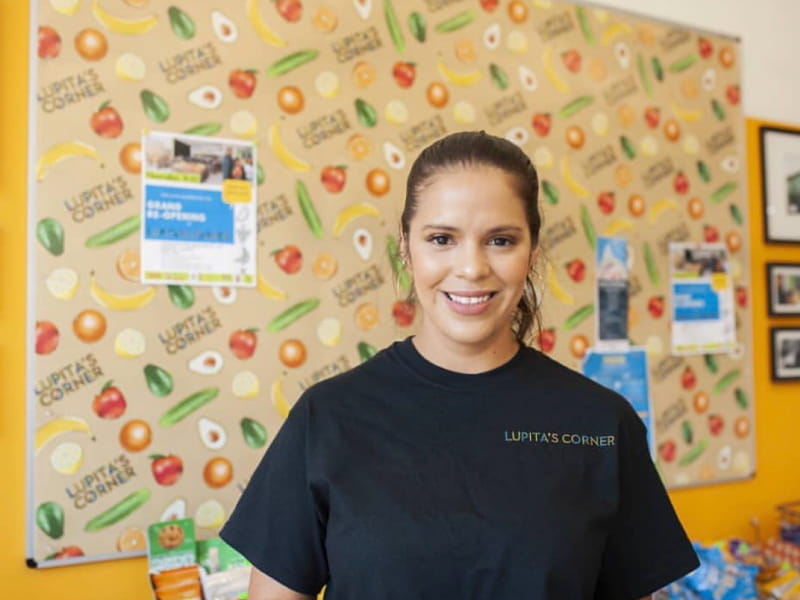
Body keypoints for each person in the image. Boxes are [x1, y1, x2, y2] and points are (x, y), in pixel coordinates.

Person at [220, 131, 699, 599]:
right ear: (406, 249)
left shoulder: (601, 425)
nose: (471, 267)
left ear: (532, 253)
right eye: (442, 238)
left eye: (501, 240)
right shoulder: (326, 418)